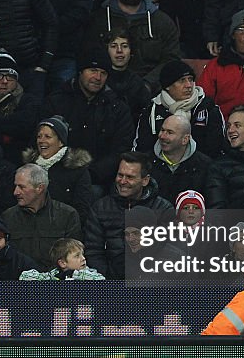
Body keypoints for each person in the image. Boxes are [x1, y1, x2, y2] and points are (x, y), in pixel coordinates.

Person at [40, 50, 134, 188]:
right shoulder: (56, 101)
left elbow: (120, 150)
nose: (98, 77)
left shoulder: (117, 108)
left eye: (103, 73)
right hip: (57, 175)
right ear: (80, 72)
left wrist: (91, 175)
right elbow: (42, 141)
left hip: (99, 180)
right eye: (93, 70)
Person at [84, 0, 180, 87]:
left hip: (151, 88)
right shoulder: (99, 19)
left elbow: (171, 59)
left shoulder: (162, 21)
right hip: (106, 87)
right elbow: (88, 55)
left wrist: (147, 84)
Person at [84, 152, 174, 279]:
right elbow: (93, 251)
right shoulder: (100, 208)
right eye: (120, 175)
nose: (123, 181)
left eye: (130, 177)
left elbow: (169, 252)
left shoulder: (163, 209)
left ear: (145, 180)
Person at [133, 60, 225, 158]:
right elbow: (141, 149)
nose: (189, 85)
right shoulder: (151, 110)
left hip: (200, 169)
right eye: (182, 80)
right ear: (167, 86)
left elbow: (217, 149)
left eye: (190, 79)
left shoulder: (207, 108)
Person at [20, 116, 94, 231]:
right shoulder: (27, 169)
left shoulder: (77, 170)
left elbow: (82, 209)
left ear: (60, 142)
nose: (41, 140)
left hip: (63, 229)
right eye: (39, 136)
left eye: (47, 136)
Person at [197, 10, 244, 119]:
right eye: (241, 30)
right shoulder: (215, 65)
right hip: (220, 126)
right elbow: (202, 102)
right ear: (233, 35)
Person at [147, 114, 214, 203]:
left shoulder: (205, 165)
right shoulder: (146, 162)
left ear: (185, 139)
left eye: (170, 132)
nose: (162, 136)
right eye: (162, 130)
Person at [104, 29, 151, 120]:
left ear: (131, 51)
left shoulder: (137, 83)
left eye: (124, 46)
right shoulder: (100, 79)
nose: (119, 50)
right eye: (113, 46)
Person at [19, 237, 105, 280]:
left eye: (82, 254)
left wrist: (72, 274)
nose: (83, 258)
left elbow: (100, 279)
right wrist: (60, 277)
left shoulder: (89, 273)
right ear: (63, 263)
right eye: (77, 256)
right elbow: (24, 276)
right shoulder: (54, 274)